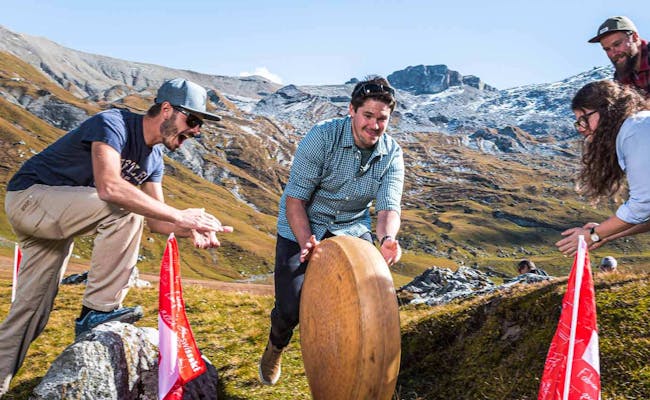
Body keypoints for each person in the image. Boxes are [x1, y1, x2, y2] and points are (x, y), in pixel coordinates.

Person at [0, 78, 234, 396]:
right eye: (192, 120)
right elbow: (109, 187)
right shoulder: (113, 123)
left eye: (199, 124)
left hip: (56, 221)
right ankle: (98, 311)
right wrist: (180, 215)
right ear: (167, 109)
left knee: (30, 312)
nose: (196, 130)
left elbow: (157, 221)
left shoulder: (154, 160)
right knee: (123, 207)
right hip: (30, 199)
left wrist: (192, 226)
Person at [258, 76, 405, 385]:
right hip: (302, 223)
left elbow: (388, 208)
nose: (374, 125)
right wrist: (305, 242)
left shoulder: (392, 154)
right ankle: (276, 346)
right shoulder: (322, 137)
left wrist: (387, 238)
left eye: (382, 119)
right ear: (352, 110)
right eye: (368, 116)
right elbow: (295, 200)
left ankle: (350, 368)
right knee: (291, 307)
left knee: (366, 301)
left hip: (351, 227)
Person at [556, 80, 650, 255]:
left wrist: (594, 235)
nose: (581, 129)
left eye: (584, 119)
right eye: (578, 123)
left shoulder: (635, 129)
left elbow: (643, 204)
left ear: (607, 109)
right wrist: (603, 234)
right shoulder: (636, 127)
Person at [589, 16, 650, 96]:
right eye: (607, 49)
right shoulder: (620, 76)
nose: (613, 53)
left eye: (617, 44)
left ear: (634, 37)